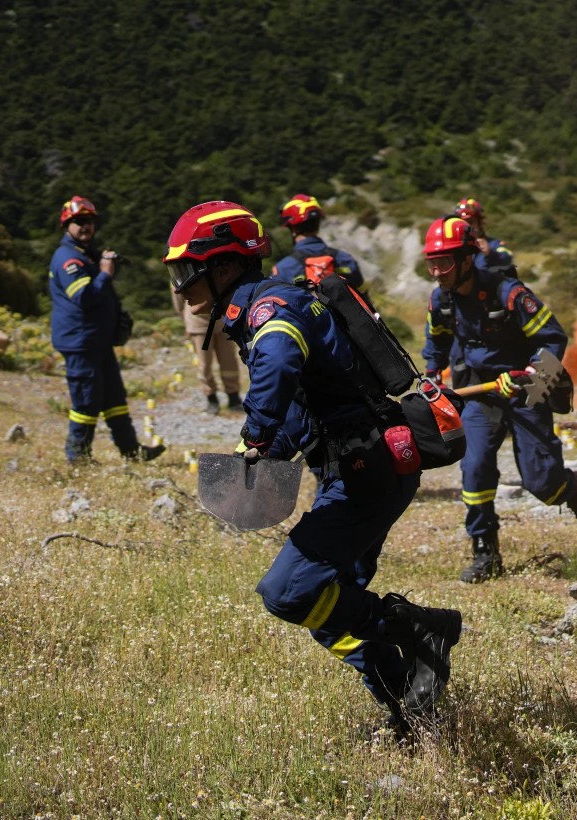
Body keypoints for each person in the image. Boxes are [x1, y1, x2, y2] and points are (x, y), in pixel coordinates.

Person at [162, 200, 460, 738]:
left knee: (289, 592)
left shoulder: (268, 309)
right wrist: (272, 450)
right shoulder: (270, 304)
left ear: (225, 266)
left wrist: (253, 437)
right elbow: (305, 406)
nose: (181, 287)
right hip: (356, 469)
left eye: (187, 271)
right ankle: (414, 715)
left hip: (366, 472)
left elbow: (277, 362)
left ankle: (420, 626)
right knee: (329, 607)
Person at [420, 216, 577, 583]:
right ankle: (485, 552)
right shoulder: (441, 300)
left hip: (526, 391)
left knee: (543, 485)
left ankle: (574, 489)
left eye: (445, 262)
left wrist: (529, 374)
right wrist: (430, 374)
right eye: (432, 263)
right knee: (474, 468)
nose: (437, 271)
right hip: (479, 394)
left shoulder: (508, 292)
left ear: (468, 260)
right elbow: (436, 343)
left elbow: (554, 339)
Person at [48, 196, 163, 464]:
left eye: (89, 221)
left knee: (114, 398)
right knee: (87, 401)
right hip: (81, 342)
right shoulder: (67, 258)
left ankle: (132, 452)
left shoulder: (85, 254)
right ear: (67, 225)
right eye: (78, 222)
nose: (85, 226)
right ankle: (78, 456)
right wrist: (105, 272)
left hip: (97, 340)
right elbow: (85, 297)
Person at [171, 283, 242, 413]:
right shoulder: (179, 272)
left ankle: (234, 397)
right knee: (205, 364)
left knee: (229, 361)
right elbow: (179, 303)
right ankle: (211, 398)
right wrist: (187, 322)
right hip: (198, 325)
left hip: (222, 322)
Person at [270, 194, 364, 288]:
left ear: (294, 229)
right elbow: (358, 284)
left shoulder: (282, 269)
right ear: (317, 224)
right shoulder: (345, 259)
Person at [454, 197, 515, 276]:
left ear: (479, 222)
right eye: (462, 224)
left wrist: (490, 253)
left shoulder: (495, 244)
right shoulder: (455, 248)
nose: (467, 227)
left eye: (470, 222)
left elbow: (507, 257)